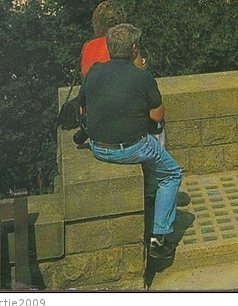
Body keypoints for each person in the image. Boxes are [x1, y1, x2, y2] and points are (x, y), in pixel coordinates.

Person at [79, 23, 184, 260]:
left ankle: (150, 198)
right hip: (130, 149)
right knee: (173, 173)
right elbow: (157, 116)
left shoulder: (94, 72)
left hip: (97, 147)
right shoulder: (142, 77)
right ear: (134, 49)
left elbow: (83, 108)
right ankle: (159, 236)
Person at [77, 1, 165, 147]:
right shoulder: (125, 47)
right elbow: (138, 79)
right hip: (123, 120)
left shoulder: (88, 47)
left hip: (96, 119)